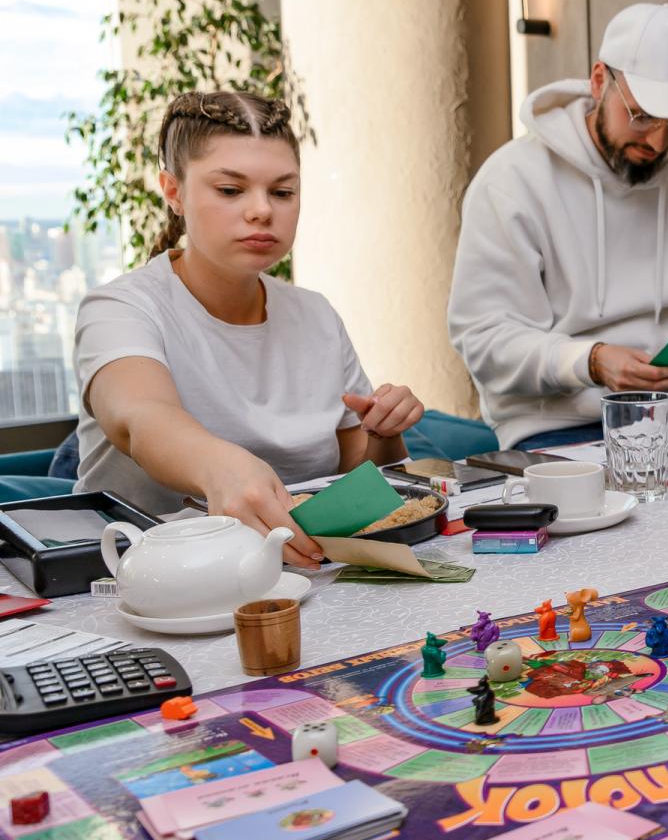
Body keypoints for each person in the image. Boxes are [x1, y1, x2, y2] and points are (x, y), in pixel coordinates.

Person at [74, 92, 424, 567]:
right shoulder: (120, 308)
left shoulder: (316, 314)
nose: (262, 211)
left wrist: (384, 433)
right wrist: (221, 467)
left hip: (300, 574)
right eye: (229, 190)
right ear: (173, 192)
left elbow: (354, 477)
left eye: (282, 192)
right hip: (141, 573)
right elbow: (143, 418)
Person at [450, 3, 668, 449]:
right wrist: (589, 362)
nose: (657, 142)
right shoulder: (511, 181)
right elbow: (484, 338)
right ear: (598, 81)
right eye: (642, 115)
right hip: (554, 428)